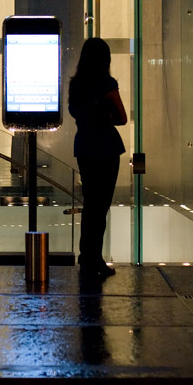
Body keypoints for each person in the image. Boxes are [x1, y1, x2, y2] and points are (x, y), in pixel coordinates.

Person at [68, 37, 127, 278]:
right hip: (106, 147)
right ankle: (95, 259)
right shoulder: (107, 83)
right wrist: (104, 118)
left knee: (90, 204)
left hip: (84, 146)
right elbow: (122, 117)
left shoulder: (76, 85)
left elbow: (76, 113)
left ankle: (87, 256)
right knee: (100, 207)